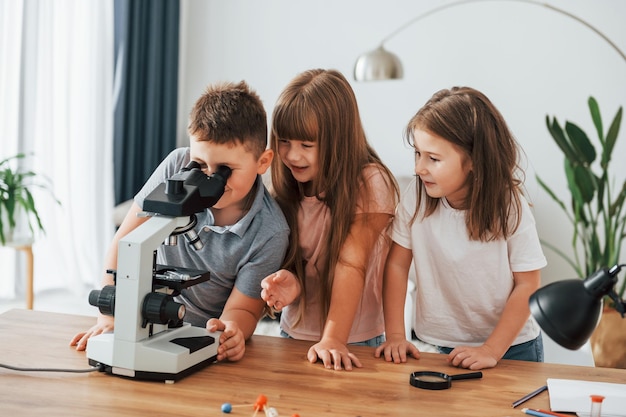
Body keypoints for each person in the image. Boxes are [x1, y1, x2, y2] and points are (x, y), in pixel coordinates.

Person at [70, 81, 290, 362]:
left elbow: (244, 310)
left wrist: (232, 331)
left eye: (225, 170)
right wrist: (110, 317)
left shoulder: (270, 232)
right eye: (199, 165)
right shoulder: (177, 164)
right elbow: (125, 242)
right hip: (141, 317)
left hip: (200, 336)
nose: (209, 178)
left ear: (263, 162)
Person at [375, 86, 547, 370]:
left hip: (512, 348)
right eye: (417, 153)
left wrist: (491, 350)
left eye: (433, 158)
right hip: (439, 344)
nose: (419, 168)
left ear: (474, 161)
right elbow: (396, 266)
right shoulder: (416, 196)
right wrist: (395, 335)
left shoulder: (509, 205)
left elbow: (528, 285)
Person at [260, 69, 400, 371]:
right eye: (284, 141)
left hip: (353, 343)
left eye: (306, 146)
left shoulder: (371, 182)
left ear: (338, 141)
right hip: (291, 335)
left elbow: (351, 263)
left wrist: (334, 339)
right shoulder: (285, 188)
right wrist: (290, 282)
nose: (292, 155)